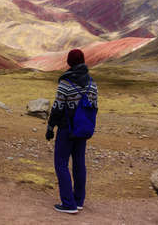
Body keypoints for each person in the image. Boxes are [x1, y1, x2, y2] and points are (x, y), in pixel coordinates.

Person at [45, 49, 98, 214]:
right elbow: (94, 108)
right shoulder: (92, 83)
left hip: (66, 129)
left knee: (61, 164)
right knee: (79, 164)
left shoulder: (66, 83)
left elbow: (58, 107)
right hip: (83, 129)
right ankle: (79, 200)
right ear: (82, 61)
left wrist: (50, 127)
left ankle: (68, 204)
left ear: (69, 62)